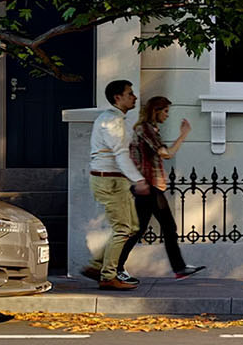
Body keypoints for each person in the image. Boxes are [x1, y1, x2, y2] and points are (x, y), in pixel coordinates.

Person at [119, 95, 205, 279]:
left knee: (163, 227)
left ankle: (179, 268)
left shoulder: (150, 129)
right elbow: (166, 154)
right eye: (165, 111)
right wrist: (183, 134)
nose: (167, 115)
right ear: (155, 111)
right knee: (141, 230)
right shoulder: (145, 129)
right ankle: (114, 268)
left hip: (151, 187)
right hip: (147, 187)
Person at [82, 79, 146, 289]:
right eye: (130, 93)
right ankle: (108, 276)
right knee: (123, 229)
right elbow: (120, 154)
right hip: (108, 180)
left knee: (132, 227)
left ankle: (97, 266)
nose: (134, 97)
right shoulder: (110, 121)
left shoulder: (117, 120)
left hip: (115, 179)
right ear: (118, 98)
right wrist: (138, 179)